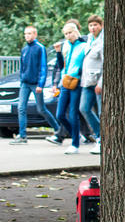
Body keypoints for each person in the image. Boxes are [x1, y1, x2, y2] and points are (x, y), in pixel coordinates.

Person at [10, 26, 60, 144]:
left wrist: (40, 84)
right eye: (25, 34)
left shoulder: (40, 48)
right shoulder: (24, 49)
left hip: (36, 84)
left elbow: (43, 67)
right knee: (21, 108)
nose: (27, 36)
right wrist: (22, 78)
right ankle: (22, 136)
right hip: (25, 83)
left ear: (35, 34)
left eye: (29, 33)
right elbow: (22, 67)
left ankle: (58, 129)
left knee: (41, 109)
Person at [46, 23, 88, 154]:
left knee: (73, 113)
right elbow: (61, 65)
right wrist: (58, 52)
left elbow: (85, 64)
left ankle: (75, 144)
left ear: (76, 32)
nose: (68, 36)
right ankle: (76, 134)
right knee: (60, 114)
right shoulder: (66, 45)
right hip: (65, 82)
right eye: (66, 34)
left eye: (70, 32)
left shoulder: (84, 46)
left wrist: (80, 75)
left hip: (76, 81)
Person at [80, 15, 104, 155]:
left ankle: (102, 140)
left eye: (95, 25)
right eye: (90, 25)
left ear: (100, 26)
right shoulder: (89, 39)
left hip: (98, 82)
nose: (93, 28)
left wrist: (101, 83)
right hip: (87, 81)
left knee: (101, 112)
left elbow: (105, 63)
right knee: (84, 108)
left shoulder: (103, 41)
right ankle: (99, 134)